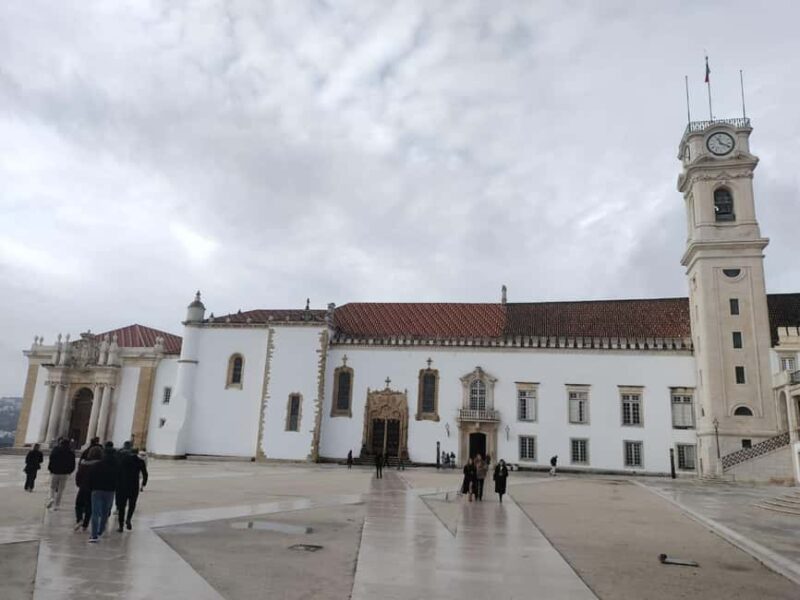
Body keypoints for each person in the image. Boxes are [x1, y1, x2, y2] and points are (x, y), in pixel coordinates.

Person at [88, 445, 118, 542]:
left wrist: (91, 487)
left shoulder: (97, 465)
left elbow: (91, 477)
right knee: (105, 512)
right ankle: (100, 530)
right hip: (110, 491)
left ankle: (94, 535)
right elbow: (120, 479)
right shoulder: (117, 466)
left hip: (97, 490)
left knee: (95, 513)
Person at [116, 441, 148, 532]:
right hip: (134, 485)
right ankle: (129, 519)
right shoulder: (140, 461)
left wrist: (117, 483)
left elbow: (118, 472)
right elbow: (145, 474)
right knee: (132, 504)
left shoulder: (123, 460)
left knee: (122, 506)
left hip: (123, 485)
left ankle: (121, 525)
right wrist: (144, 483)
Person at [74, 446, 102, 531]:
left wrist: (79, 484)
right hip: (94, 488)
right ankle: (85, 525)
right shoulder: (100, 465)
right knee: (89, 506)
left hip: (83, 487)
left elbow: (78, 475)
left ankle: (79, 519)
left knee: (78, 504)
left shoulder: (84, 463)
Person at [46, 438, 76, 510]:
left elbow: (51, 460)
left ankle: (51, 498)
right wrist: (70, 471)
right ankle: (57, 505)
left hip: (55, 472)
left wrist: (50, 469)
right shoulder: (70, 452)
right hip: (64, 473)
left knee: (52, 487)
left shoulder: (56, 450)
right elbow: (72, 463)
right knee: (60, 489)